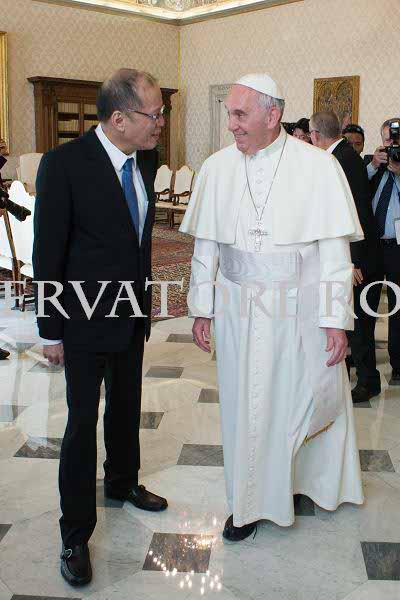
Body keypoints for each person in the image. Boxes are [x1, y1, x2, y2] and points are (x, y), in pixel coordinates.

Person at [180, 73, 364, 542]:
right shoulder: (217, 168)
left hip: (300, 309)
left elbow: (334, 253)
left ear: (272, 114)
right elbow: (206, 247)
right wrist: (202, 307)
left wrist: (335, 320)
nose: (232, 125)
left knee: (302, 398)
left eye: (240, 115)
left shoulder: (317, 167)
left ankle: (301, 483)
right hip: (238, 310)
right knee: (247, 406)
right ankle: (247, 503)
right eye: (230, 114)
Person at [33, 68, 168, 587]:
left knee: (127, 406)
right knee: (81, 422)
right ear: (119, 118)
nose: (159, 123)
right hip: (82, 320)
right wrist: (50, 329)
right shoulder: (64, 164)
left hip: (130, 313)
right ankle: (75, 533)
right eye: (153, 114)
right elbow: (48, 251)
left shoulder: (144, 160)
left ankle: (122, 481)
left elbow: (135, 240)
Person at [310, 111, 380, 403]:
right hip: (356, 255)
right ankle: (356, 374)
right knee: (354, 322)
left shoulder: (340, 160)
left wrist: (353, 262)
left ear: (315, 135)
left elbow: (356, 216)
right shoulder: (345, 156)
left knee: (360, 323)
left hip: (358, 258)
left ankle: (368, 381)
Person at [361, 118, 400, 387]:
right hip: (373, 247)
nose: (392, 145)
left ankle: (398, 365)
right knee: (367, 306)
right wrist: (374, 165)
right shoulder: (370, 163)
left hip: (397, 248)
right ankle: (365, 369)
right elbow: (356, 190)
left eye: (396, 140)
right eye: (388, 140)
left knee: (398, 308)